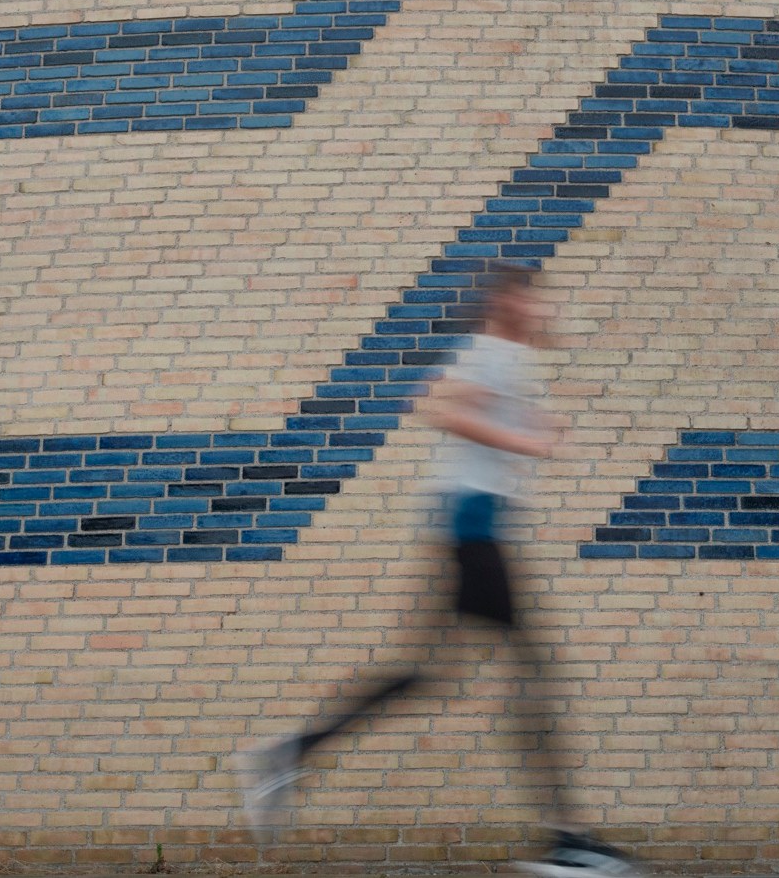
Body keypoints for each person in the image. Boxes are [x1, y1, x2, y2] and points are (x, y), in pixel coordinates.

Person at [237, 261, 640, 877]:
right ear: (505, 302)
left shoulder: (511, 358)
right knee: (531, 675)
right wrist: (527, 442)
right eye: (531, 299)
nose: (542, 308)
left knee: (430, 672)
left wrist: (533, 425)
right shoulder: (489, 352)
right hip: (473, 527)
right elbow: (442, 411)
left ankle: (290, 754)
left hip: (472, 527)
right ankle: (568, 841)